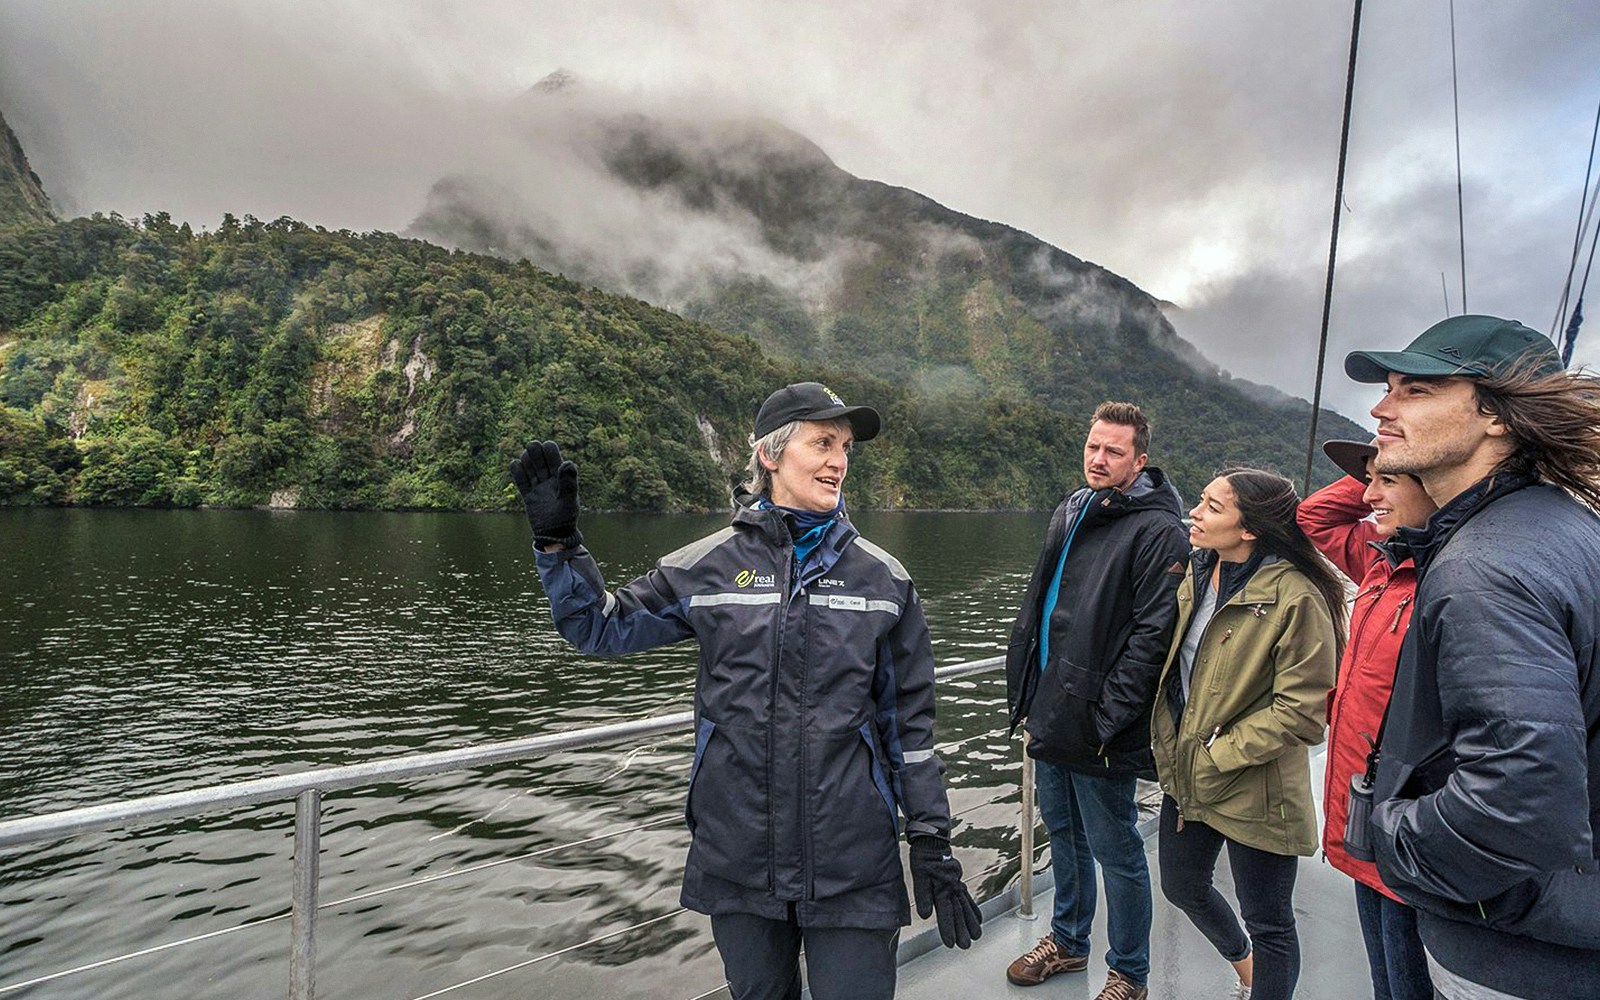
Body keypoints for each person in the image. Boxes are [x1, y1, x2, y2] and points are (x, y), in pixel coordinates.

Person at [509, 382, 982, 1000]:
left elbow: (910, 730)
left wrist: (932, 841)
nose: (839, 460)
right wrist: (558, 545)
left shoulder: (885, 580)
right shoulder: (706, 564)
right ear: (771, 455)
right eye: (822, 443)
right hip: (739, 853)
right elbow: (597, 626)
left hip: (852, 858)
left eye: (844, 447)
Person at [1343, 314, 1600, 1000]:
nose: (1382, 407)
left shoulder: (1484, 566)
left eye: (1415, 390)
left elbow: (1517, 803)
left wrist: (1388, 834)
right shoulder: (1563, 528)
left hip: (1513, 960)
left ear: (1496, 418)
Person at [1002, 401, 1190, 1000]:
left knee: (1118, 849)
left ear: (1140, 460)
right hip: (1050, 709)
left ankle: (1129, 972)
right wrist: (1029, 696)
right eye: (1093, 447)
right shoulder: (1074, 508)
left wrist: (1107, 719)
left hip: (1098, 725)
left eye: (1114, 451)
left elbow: (1151, 638)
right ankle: (1067, 941)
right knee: (1064, 835)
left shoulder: (1159, 530)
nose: (1099, 459)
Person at [1150, 469, 1344, 1000]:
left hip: (1255, 784)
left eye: (1212, 506)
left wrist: (1220, 752)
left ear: (1250, 528)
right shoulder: (1199, 570)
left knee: (1270, 921)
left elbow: (1304, 711)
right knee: (1182, 885)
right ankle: (1245, 966)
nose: (1195, 512)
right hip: (1189, 773)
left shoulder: (1297, 597)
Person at [1297, 438, 1437, 1000]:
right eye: (1367, 480)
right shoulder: (1381, 561)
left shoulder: (1450, 575)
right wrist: (1381, 465)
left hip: (1411, 822)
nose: (1370, 495)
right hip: (1363, 811)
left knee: (1410, 982)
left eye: (1388, 481)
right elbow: (1315, 515)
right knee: (1386, 975)